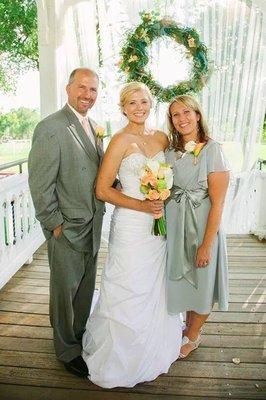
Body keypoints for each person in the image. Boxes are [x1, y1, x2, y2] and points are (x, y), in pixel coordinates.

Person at [82, 82, 183, 388]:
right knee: (129, 284)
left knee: (154, 285)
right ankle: (121, 355)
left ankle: (155, 345)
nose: (138, 107)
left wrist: (160, 200)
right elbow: (102, 189)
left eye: (143, 102)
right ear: (123, 108)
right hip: (130, 226)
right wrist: (142, 204)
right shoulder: (119, 141)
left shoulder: (162, 138)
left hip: (157, 227)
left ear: (150, 103)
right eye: (131, 103)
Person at [28, 68, 105, 377]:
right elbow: (40, 184)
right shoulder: (50, 128)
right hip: (67, 228)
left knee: (85, 288)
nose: (87, 94)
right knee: (64, 292)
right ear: (68, 87)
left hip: (93, 226)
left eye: (93, 90)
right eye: (82, 87)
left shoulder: (96, 126)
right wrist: (54, 224)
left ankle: (80, 334)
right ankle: (66, 349)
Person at [165, 95, 230, 359]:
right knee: (183, 279)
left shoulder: (213, 150)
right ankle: (187, 326)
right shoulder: (169, 151)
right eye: (175, 115)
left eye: (186, 112)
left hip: (203, 225)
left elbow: (218, 203)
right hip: (175, 224)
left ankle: (193, 335)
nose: (182, 119)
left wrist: (207, 244)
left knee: (202, 280)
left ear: (198, 115)